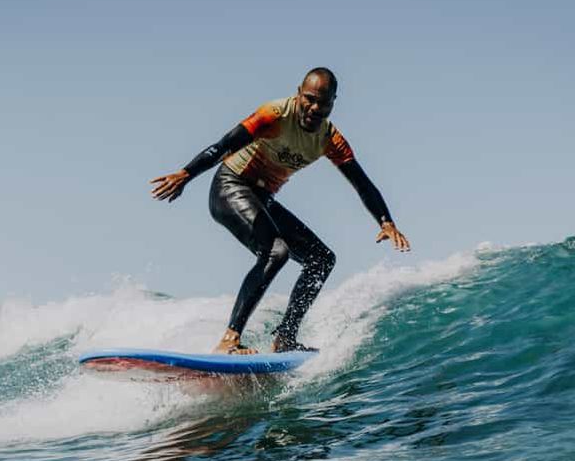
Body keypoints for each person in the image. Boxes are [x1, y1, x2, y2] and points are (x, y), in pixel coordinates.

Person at [151, 67, 410, 354]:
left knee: (321, 259)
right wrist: (185, 174)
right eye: (309, 99)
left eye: (323, 103)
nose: (314, 108)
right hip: (231, 187)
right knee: (276, 251)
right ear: (299, 94)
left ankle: (284, 338)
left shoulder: (329, 139)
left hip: (262, 198)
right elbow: (223, 145)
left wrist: (385, 222)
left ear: (333, 102)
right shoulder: (274, 115)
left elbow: (362, 183)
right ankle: (229, 340)